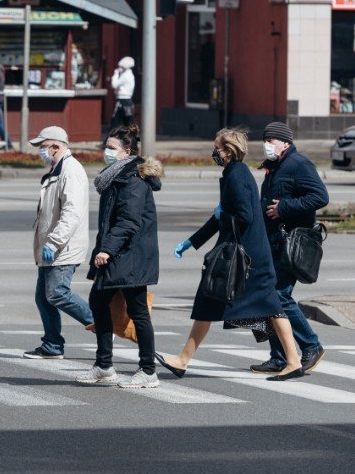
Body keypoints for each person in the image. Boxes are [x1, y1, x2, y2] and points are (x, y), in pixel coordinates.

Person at [162, 128, 304, 381]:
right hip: (244, 256)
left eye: (217, 148)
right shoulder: (233, 173)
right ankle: (183, 359)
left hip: (246, 259)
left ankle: (293, 361)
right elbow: (221, 216)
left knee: (266, 305)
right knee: (219, 303)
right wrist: (192, 241)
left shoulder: (236, 175)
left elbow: (244, 216)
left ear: (228, 151)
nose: (214, 152)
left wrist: (223, 215)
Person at [77, 125, 162, 389]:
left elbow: (128, 221)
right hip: (120, 253)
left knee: (138, 312)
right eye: (106, 146)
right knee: (98, 301)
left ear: (127, 152)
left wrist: (106, 249)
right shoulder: (116, 176)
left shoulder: (132, 180)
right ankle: (104, 366)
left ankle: (148, 370)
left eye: (112, 148)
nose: (107, 151)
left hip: (131, 255)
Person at [250, 122, 330, 374]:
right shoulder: (274, 167)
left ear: (285, 143)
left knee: (279, 296)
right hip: (273, 242)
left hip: (292, 244)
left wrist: (284, 207)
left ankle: (312, 345)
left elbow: (320, 197)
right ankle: (279, 356)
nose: (266, 145)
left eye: (271, 140)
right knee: (268, 297)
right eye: (265, 140)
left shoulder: (299, 164)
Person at [24, 125, 94, 360]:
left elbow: (72, 213)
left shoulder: (71, 171)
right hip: (51, 246)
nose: (40, 151)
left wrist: (53, 242)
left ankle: (102, 324)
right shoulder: (58, 168)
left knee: (56, 293)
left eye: (43, 147)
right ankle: (52, 345)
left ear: (56, 146)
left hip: (63, 247)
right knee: (44, 298)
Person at [108, 57, 135, 139]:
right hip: (128, 101)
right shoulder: (130, 75)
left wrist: (115, 74)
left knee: (115, 121)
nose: (119, 68)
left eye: (121, 67)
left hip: (122, 100)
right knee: (128, 123)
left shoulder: (125, 75)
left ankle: (109, 140)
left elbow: (114, 84)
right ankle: (132, 141)